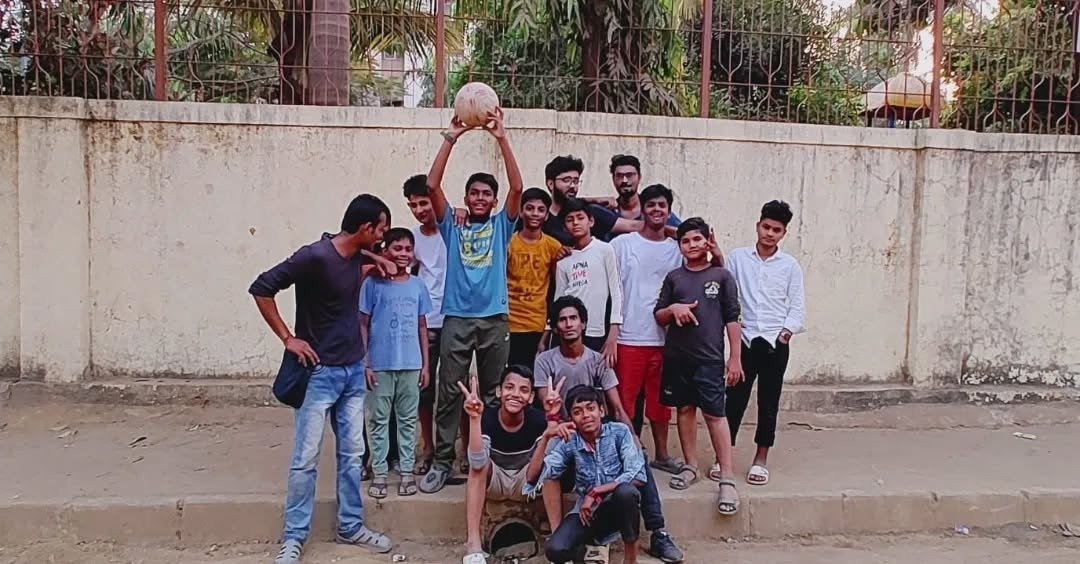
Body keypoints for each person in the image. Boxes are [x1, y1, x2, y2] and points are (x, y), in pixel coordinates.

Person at [248, 194, 395, 563]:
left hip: (353, 371)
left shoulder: (356, 252)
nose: (384, 237)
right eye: (381, 230)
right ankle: (294, 537)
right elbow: (262, 288)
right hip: (319, 374)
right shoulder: (313, 257)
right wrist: (288, 338)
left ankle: (351, 526)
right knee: (306, 458)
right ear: (366, 228)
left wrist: (375, 259)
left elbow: (354, 252)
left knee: (352, 455)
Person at [419, 109, 523, 494]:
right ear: (466, 198)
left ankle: (488, 458)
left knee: (495, 393)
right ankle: (443, 461)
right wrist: (452, 137)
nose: (480, 198)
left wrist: (502, 138)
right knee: (449, 391)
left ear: (493, 201)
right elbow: (431, 185)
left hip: (495, 318)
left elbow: (517, 188)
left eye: (486, 194)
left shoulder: (501, 226)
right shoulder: (452, 224)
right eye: (474, 193)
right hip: (457, 318)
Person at [535, 296, 684, 563]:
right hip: (565, 431)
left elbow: (615, 406)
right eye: (562, 320)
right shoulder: (545, 361)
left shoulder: (597, 360)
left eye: (573, 319)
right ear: (556, 327)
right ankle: (559, 532)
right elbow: (549, 410)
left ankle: (658, 533)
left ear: (583, 324)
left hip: (596, 432)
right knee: (549, 463)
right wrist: (555, 417)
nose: (568, 324)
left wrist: (633, 437)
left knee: (638, 456)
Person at [654, 217, 743, 516]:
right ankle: (690, 466)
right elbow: (659, 315)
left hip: (709, 359)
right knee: (684, 410)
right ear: (679, 246)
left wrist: (735, 358)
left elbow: (732, 318)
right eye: (686, 241)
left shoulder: (722, 276)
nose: (692, 245)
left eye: (697, 239)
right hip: (678, 358)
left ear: (707, 242)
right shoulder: (674, 278)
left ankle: (727, 477)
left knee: (716, 415)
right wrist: (673, 309)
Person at [724, 200, 806, 487]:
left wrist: (786, 333)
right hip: (745, 341)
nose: (770, 234)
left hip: (775, 343)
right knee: (734, 400)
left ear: (784, 233)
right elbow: (729, 296)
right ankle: (725, 458)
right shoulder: (738, 258)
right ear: (758, 226)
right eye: (766, 227)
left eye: (776, 230)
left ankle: (761, 459)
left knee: (768, 402)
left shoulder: (789, 266)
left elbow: (797, 305)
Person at [523, 385, 646, 564]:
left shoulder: (619, 432)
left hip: (615, 509)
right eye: (578, 412)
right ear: (571, 419)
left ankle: (630, 559)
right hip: (586, 514)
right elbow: (532, 477)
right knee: (555, 549)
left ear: (601, 411)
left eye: (590, 408)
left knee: (626, 492)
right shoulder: (570, 442)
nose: (586, 415)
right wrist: (546, 437)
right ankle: (581, 551)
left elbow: (637, 475)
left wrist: (596, 492)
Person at [610, 184, 680, 472]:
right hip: (629, 337)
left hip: (665, 340)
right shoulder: (622, 245)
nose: (656, 210)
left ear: (669, 210)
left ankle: (662, 455)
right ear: (642, 209)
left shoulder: (678, 249)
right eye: (651, 205)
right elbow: (612, 289)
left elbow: (707, 263)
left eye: (662, 205)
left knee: (661, 405)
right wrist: (613, 330)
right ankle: (626, 456)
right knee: (624, 402)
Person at [359, 228, 432, 498]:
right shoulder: (372, 284)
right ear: (385, 251)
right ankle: (379, 473)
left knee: (407, 421)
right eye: (397, 248)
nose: (403, 254)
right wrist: (366, 363)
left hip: (411, 365)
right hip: (380, 365)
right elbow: (363, 324)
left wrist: (425, 365)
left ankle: (407, 473)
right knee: (378, 420)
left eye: (408, 249)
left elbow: (422, 327)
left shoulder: (418, 285)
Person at [458, 365, 554, 564]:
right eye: (509, 387)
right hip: (495, 481)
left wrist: (552, 419)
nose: (516, 394)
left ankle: (558, 541)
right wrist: (474, 419)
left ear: (531, 397)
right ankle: (473, 544)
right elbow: (476, 462)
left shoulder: (537, 420)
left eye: (523, 390)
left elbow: (551, 461)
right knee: (478, 468)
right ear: (499, 391)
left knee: (551, 468)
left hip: (526, 482)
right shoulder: (487, 417)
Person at [404, 174, 448, 476]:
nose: (419, 210)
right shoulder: (411, 239)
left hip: (455, 318)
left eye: (424, 203)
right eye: (413, 205)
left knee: (454, 388)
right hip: (425, 322)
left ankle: (457, 448)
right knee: (425, 388)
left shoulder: (453, 227)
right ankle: (428, 446)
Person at [551, 198, 622, 364]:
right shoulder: (564, 261)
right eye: (570, 219)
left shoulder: (605, 250)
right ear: (564, 227)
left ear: (591, 221)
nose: (575, 223)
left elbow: (616, 292)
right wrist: (548, 332)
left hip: (597, 332)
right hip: (568, 332)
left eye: (580, 217)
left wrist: (613, 334)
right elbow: (558, 301)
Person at [507, 188, 566, 367]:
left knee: (531, 375)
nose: (535, 213)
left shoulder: (553, 246)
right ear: (521, 211)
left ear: (547, 216)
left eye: (541, 210)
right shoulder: (508, 242)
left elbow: (559, 285)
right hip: (507, 322)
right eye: (530, 208)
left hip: (536, 323)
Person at [541, 155, 645, 246]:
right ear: (550, 184)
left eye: (576, 181)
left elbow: (632, 225)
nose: (572, 186)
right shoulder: (539, 214)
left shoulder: (590, 211)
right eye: (566, 180)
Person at [584, 155, 681, 240]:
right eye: (619, 176)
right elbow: (575, 206)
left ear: (639, 177)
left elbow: (684, 232)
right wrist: (595, 200)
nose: (624, 180)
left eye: (629, 175)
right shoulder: (605, 212)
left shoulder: (656, 211)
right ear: (613, 179)